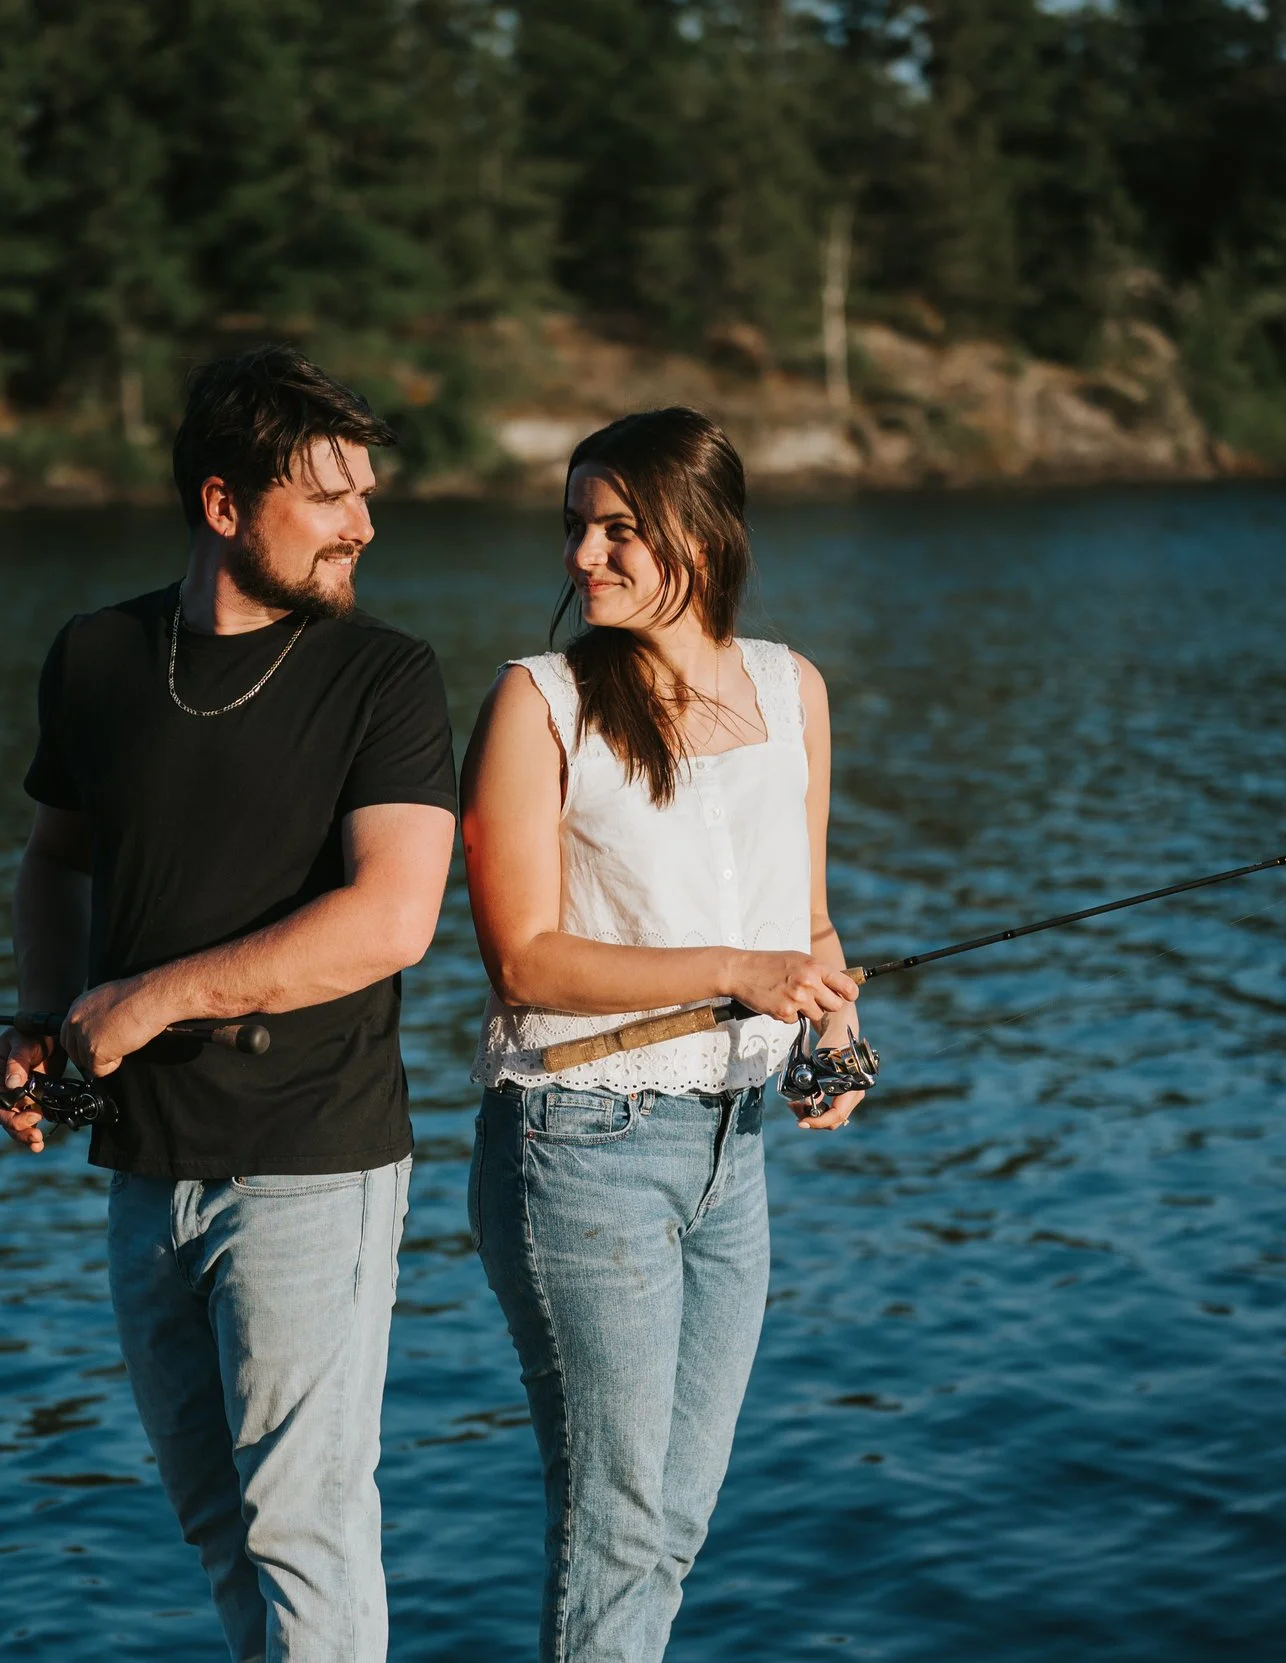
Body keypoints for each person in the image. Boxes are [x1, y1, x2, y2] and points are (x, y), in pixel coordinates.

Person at [0, 346, 457, 1663]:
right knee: (219, 1528)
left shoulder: (387, 678)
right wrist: (43, 1017)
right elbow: (54, 859)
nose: (364, 522)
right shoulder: (96, 656)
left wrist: (143, 1000)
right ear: (222, 503)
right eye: (328, 497)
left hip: (313, 1155)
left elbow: (394, 916)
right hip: (143, 1166)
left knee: (304, 1530)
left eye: (366, 491)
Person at [460, 407, 867, 1662]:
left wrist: (835, 1032)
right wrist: (738, 972)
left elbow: (805, 921)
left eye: (619, 528)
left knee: (671, 1523)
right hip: (579, 1144)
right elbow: (524, 961)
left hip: (731, 1151)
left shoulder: (793, 691)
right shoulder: (539, 703)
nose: (584, 556)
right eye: (577, 527)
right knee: (619, 1527)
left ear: (704, 532)